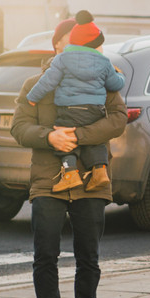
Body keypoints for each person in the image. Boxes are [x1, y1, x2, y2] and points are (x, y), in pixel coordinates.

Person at [12, 17, 128, 298]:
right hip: (48, 178)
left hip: (92, 179)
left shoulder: (101, 78)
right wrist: (49, 136)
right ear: (59, 45)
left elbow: (118, 120)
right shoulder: (37, 84)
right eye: (69, 40)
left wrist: (78, 136)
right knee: (45, 254)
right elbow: (19, 127)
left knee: (88, 257)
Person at [25, 10, 125, 193]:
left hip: (70, 109)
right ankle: (100, 172)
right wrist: (120, 76)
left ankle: (69, 174)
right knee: (96, 141)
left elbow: (47, 82)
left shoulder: (63, 60)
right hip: (95, 110)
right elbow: (116, 83)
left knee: (64, 132)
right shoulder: (104, 64)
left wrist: (32, 98)